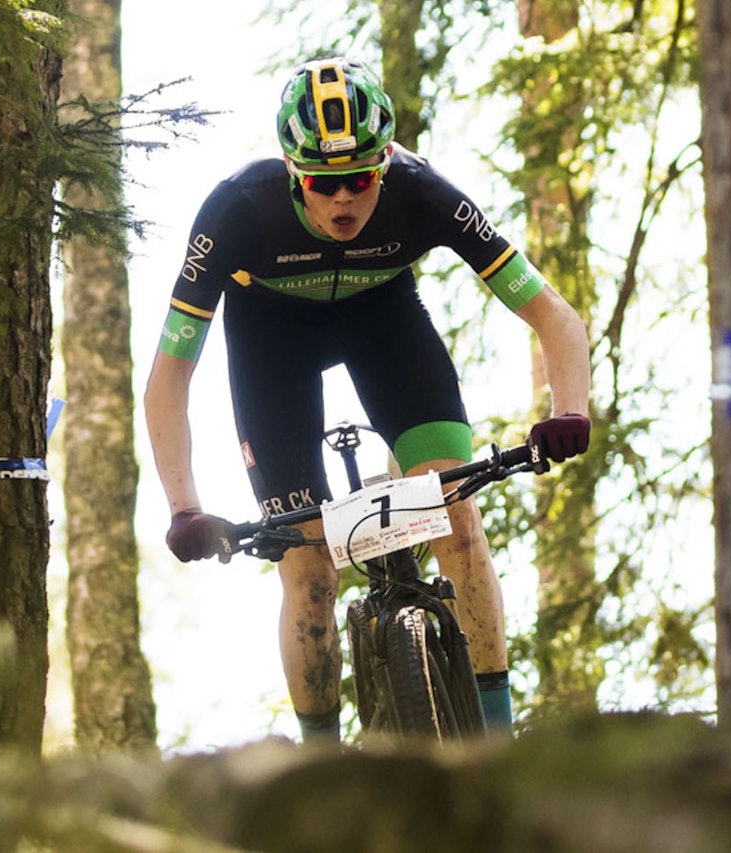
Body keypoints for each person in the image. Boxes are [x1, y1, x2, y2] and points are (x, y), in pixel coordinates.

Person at [144, 57, 592, 744]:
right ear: (292, 172)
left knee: (455, 519)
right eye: (323, 184)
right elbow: (170, 376)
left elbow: (553, 316)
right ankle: (321, 762)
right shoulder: (237, 209)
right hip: (272, 344)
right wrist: (184, 507)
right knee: (308, 571)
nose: (343, 200)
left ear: (385, 164)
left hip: (384, 324)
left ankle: (498, 744)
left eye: (360, 179)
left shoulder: (423, 193)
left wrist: (569, 413)